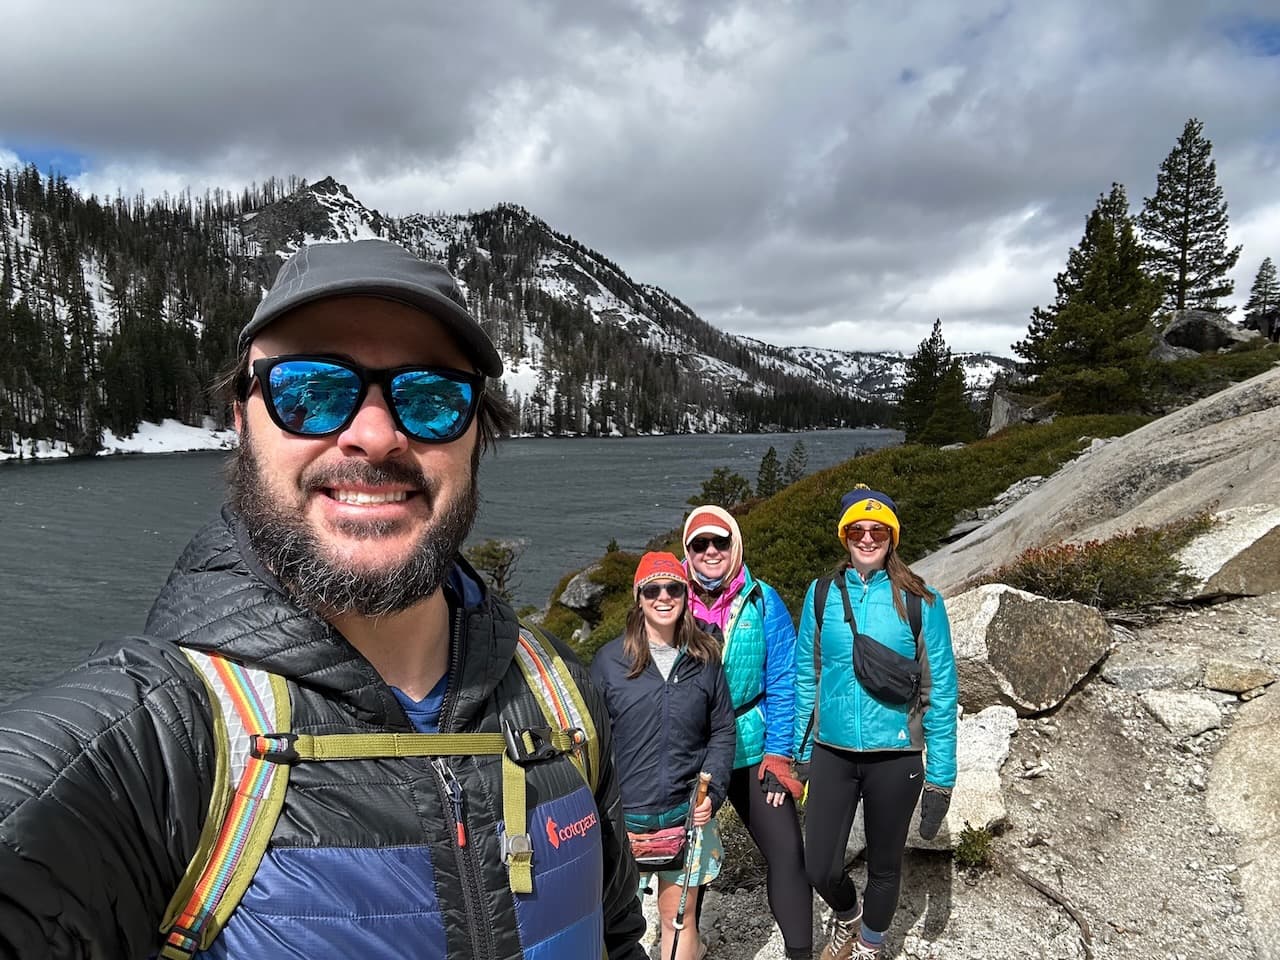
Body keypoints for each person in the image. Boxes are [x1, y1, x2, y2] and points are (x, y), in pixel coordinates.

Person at [0, 239, 645, 959]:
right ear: (242, 421)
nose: (374, 436)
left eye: (431, 397)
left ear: (476, 437)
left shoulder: (560, 701)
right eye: (310, 390)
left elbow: (616, 938)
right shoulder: (149, 746)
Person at [793, 486, 959, 960]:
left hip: (897, 756)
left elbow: (940, 691)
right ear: (845, 536)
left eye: (878, 530)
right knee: (819, 866)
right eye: (858, 530)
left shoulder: (920, 599)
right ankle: (848, 917)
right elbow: (809, 673)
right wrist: (803, 751)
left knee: (885, 867)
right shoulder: (822, 593)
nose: (867, 538)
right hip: (832, 752)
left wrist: (942, 777)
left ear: (892, 536)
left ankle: (869, 945)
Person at [681, 505, 813, 960]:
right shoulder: (666, 597)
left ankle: (800, 953)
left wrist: (780, 756)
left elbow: (784, 680)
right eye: (700, 544)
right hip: (691, 752)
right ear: (688, 551)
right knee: (683, 867)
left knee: (787, 854)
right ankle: (686, 948)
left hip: (753, 744)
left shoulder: (763, 600)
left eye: (720, 542)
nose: (711, 551)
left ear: (734, 545)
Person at [589, 552, 736, 960]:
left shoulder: (704, 659)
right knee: (613, 924)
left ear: (686, 595)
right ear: (639, 598)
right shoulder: (607, 663)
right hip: (622, 820)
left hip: (685, 815)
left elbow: (723, 729)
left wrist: (714, 790)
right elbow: (589, 739)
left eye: (673, 587)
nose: (663, 597)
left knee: (679, 918)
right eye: (652, 589)